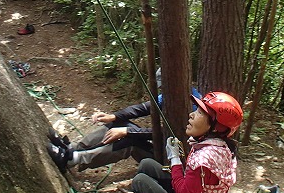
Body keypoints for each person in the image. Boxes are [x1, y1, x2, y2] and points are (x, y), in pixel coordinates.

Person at [122, 91, 244, 193]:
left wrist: (175, 159)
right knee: (147, 165)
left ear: (215, 127)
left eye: (200, 113)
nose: (192, 115)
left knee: (140, 182)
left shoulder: (205, 159)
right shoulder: (219, 146)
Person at [46, 69, 201, 173]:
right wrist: (113, 117)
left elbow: (164, 133)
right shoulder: (170, 96)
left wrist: (127, 131)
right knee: (118, 124)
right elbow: (142, 108)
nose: (162, 90)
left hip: (172, 161)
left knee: (130, 142)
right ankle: (73, 149)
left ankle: (72, 160)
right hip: (164, 147)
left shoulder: (192, 107)